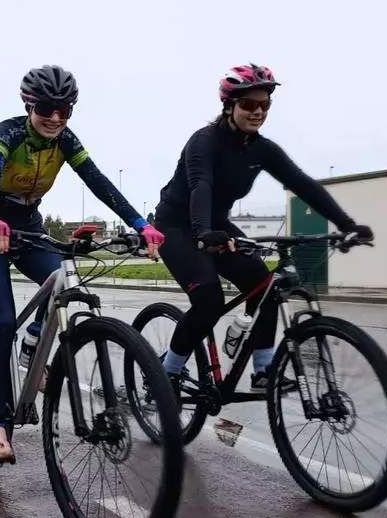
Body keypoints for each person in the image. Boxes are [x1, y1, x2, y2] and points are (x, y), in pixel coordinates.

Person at [0, 65, 165, 462]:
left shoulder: (65, 140)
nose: (56, 118)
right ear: (29, 105)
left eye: (65, 110)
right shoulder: (9, 131)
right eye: (47, 108)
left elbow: (98, 180)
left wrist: (140, 223)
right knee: (2, 319)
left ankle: (33, 342)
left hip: (28, 226)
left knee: (64, 281)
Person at [153, 63, 373, 392]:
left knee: (266, 286)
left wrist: (347, 224)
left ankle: (263, 371)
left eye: (265, 105)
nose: (258, 112)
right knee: (209, 300)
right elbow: (202, 184)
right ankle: (167, 371)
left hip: (216, 226)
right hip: (178, 226)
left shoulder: (263, 149)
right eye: (249, 105)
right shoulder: (204, 141)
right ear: (229, 106)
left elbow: (303, 184)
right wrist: (202, 232)